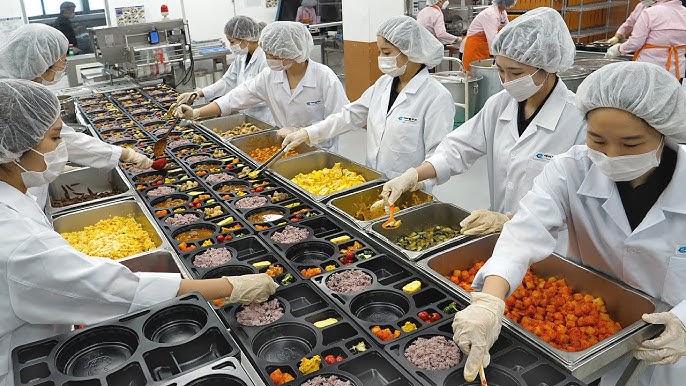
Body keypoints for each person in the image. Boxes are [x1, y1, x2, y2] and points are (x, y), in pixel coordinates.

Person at [0, 79, 278, 386]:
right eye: (55, 138)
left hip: (39, 344)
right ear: (15, 150)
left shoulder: (14, 201)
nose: (63, 147)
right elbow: (111, 288)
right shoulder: (19, 238)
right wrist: (230, 287)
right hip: (19, 362)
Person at [452, 61, 686, 386]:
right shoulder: (570, 169)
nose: (612, 155)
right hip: (589, 337)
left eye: (631, 144)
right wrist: (489, 302)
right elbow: (523, 234)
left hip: (669, 346)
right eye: (597, 140)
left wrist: (684, 323)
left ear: (664, 131)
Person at [382, 7, 586, 237]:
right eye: (500, 71)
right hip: (498, 235)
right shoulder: (500, 104)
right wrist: (414, 175)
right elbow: (458, 148)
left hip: (549, 243)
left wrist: (509, 220)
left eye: (517, 73)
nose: (506, 81)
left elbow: (574, 200)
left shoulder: (578, 120)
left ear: (548, 66)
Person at [280, 16, 453, 184]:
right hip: (373, 178)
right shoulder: (384, 84)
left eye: (386, 52)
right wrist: (308, 133)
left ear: (410, 51)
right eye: (379, 52)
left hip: (409, 188)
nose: (381, 58)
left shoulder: (436, 97)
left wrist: (418, 182)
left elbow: (439, 155)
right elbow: (350, 115)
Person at [0, 24, 153, 208]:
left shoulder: (19, 86)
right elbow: (61, 138)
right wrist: (125, 154)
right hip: (13, 192)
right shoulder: (14, 95)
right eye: (62, 60)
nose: (64, 65)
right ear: (42, 61)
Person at [176, 21, 347, 153]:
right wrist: (197, 112)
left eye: (273, 55)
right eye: (267, 53)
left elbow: (341, 119)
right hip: (286, 149)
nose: (268, 59)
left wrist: (306, 132)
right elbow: (235, 97)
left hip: (321, 151)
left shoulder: (325, 78)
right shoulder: (270, 76)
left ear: (292, 53)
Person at [177, 16, 273, 124]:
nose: (231, 46)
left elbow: (248, 95)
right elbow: (227, 81)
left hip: (264, 117)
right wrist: (198, 93)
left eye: (232, 42)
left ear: (246, 39)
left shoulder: (265, 60)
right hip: (245, 114)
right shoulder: (242, 57)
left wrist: (197, 112)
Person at [605, 0, 686, 80]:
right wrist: (617, 37)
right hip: (676, 71)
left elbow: (635, 43)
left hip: (649, 69)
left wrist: (619, 49)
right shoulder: (683, 12)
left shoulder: (649, 13)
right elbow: (629, 23)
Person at [459, 0, 516, 71]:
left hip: (484, 46)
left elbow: (507, 30)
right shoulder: (490, 14)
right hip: (475, 46)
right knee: (472, 73)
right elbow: (492, 38)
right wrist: (497, 55)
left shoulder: (502, 12)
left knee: (484, 72)